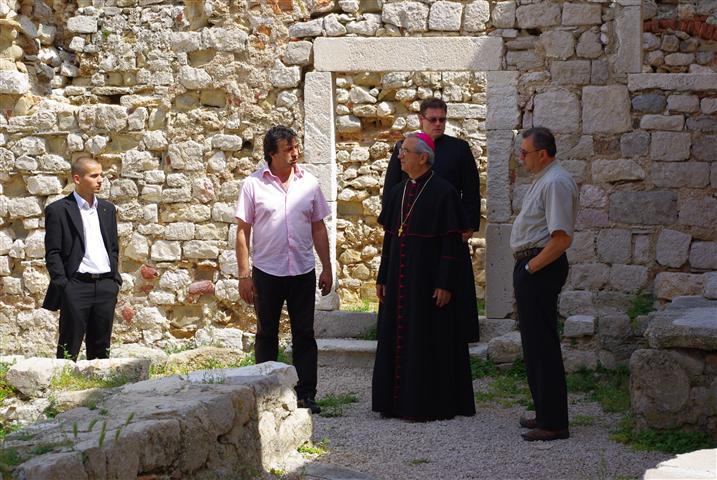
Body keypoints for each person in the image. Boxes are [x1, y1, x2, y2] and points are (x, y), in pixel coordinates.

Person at [372, 132, 475, 421]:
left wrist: (445, 283)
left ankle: (429, 403)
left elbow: (450, 244)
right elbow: (390, 240)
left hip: (428, 281)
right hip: (399, 278)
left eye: (404, 151)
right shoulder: (397, 192)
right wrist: (382, 277)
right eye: (399, 151)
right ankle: (393, 403)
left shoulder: (444, 192)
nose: (399, 156)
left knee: (429, 338)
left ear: (422, 157)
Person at [235, 125, 332, 414]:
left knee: (305, 334)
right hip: (267, 271)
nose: (296, 153)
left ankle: (307, 394)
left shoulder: (310, 183)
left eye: (296, 146)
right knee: (267, 334)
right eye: (288, 148)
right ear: (271, 154)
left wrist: (327, 267)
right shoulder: (253, 185)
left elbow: (318, 226)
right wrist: (244, 275)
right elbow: (242, 231)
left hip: (302, 270)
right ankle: (266, 394)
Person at [382, 98, 480, 342]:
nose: (438, 124)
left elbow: (470, 190)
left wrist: (467, 226)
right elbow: (392, 187)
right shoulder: (404, 148)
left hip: (446, 233)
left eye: (442, 120)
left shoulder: (459, 149)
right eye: (433, 120)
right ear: (421, 120)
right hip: (410, 237)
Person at [511, 127, 578, 441]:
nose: (521, 157)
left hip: (540, 266)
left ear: (542, 153)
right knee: (534, 345)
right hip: (534, 265)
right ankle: (545, 412)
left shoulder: (555, 182)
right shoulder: (544, 180)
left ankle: (554, 423)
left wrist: (530, 267)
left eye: (525, 152)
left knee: (543, 345)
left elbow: (561, 238)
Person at [43, 156, 121, 361]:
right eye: (94, 175)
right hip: (76, 285)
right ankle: (63, 389)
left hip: (105, 284)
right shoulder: (58, 210)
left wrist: (114, 281)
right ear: (77, 179)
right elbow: (53, 253)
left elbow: (113, 248)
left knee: (101, 348)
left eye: (101, 175)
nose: (100, 180)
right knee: (69, 345)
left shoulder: (107, 209)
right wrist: (65, 286)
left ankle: (100, 391)